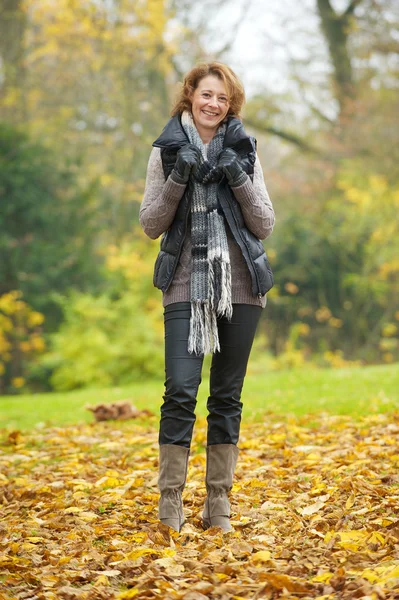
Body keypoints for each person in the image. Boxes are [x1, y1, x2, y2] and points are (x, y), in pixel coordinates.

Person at [140, 62, 275, 533]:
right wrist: (179, 177)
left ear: (230, 103)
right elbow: (151, 224)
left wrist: (237, 175)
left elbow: (264, 225)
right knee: (179, 389)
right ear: (190, 95)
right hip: (184, 284)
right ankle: (170, 502)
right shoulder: (165, 152)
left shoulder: (245, 150)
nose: (214, 104)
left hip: (241, 286)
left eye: (223, 97)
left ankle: (218, 502)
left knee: (226, 396)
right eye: (206, 94)